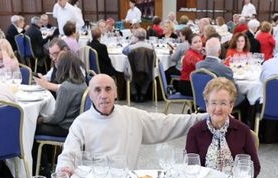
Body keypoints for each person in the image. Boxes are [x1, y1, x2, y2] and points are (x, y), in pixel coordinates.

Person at [56, 74, 199, 172]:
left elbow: (167, 123)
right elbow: (68, 155)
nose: (103, 95)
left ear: (116, 93)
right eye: (97, 90)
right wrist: (64, 167)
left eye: (108, 89)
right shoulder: (81, 123)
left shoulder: (131, 116)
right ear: (91, 95)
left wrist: (207, 117)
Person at [185, 77, 260, 176]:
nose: (218, 108)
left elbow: (254, 167)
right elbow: (190, 167)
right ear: (207, 105)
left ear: (231, 106)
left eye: (223, 103)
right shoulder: (195, 132)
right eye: (213, 103)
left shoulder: (243, 131)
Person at [37, 51, 86, 138]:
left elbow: (56, 118)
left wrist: (41, 119)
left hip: (65, 128)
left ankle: (42, 151)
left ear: (62, 67)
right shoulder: (82, 83)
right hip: (76, 125)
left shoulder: (65, 88)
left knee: (32, 126)